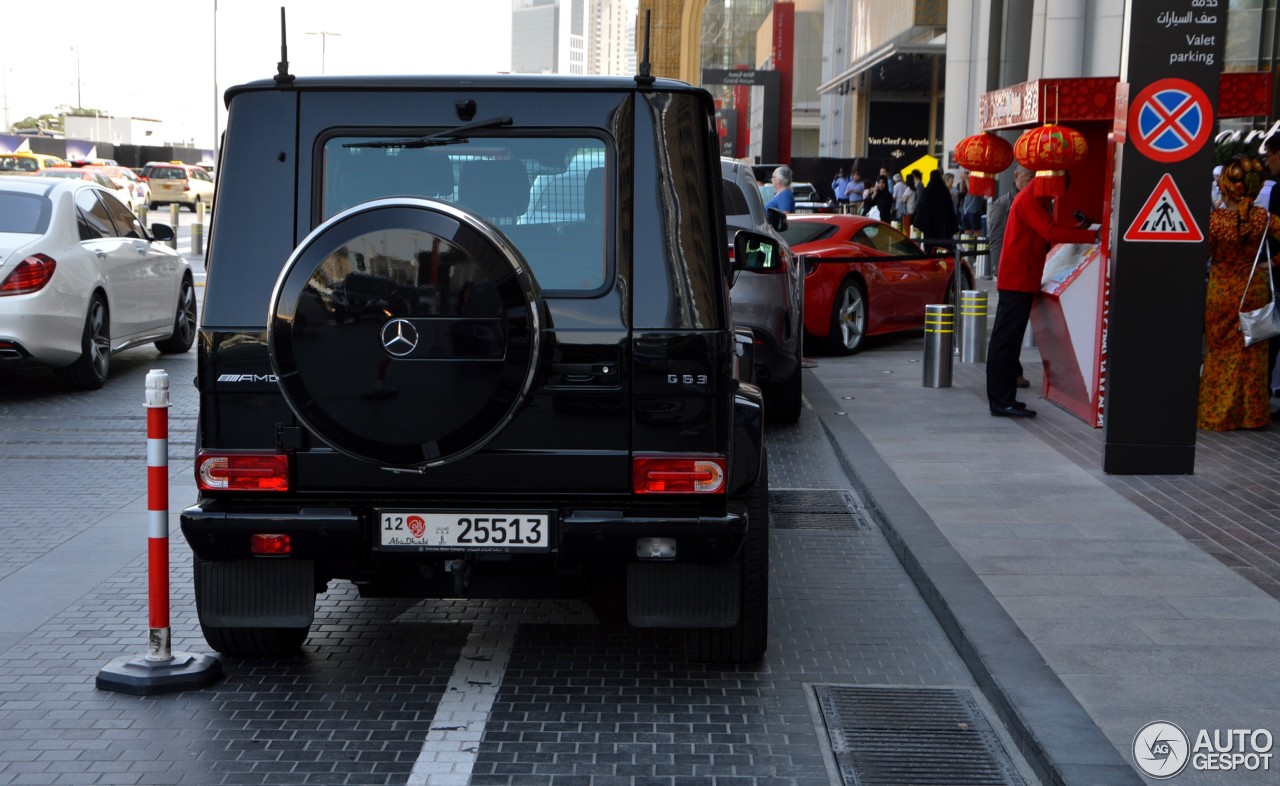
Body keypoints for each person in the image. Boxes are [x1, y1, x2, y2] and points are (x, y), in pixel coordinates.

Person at [985, 177, 1097, 418]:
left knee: (1008, 343)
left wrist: (1079, 232)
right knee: (1005, 343)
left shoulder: (1035, 199)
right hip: (1017, 281)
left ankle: (1006, 398)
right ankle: (1001, 401)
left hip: (1021, 280)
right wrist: (1091, 237)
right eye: (1062, 187)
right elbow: (1050, 231)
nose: (1061, 194)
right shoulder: (1029, 200)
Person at [1198, 157, 1279, 431]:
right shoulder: (1264, 218)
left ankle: (1217, 414)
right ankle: (1251, 414)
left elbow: (1204, 255)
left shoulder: (1215, 222)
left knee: (1220, 352)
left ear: (1226, 188)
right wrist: (1273, 263)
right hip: (1254, 290)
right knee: (1252, 353)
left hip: (1221, 292)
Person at [985, 165, 1035, 388]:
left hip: (1026, 271)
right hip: (1010, 273)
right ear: (1016, 177)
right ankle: (1011, 373)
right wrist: (998, 268)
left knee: (1015, 327)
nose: (1031, 180)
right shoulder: (1003, 204)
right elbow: (995, 238)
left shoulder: (1035, 201)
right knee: (1008, 328)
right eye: (1028, 176)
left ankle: (1013, 371)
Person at [911, 169, 959, 251]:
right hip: (943, 226)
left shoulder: (927, 191)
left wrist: (917, 221)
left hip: (930, 226)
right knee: (943, 249)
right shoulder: (944, 191)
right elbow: (950, 208)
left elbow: (922, 207)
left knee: (930, 248)